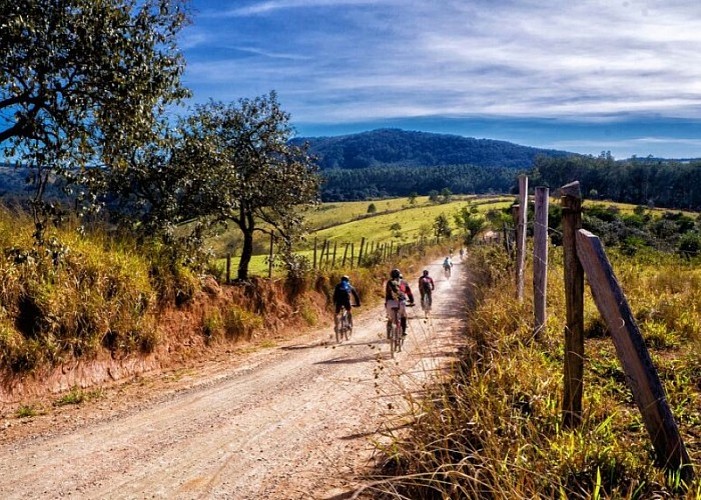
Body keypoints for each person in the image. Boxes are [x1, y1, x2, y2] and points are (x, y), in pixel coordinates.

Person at [385, 268, 414, 336]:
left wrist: (386, 303)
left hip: (390, 303)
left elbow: (387, 294)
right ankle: (403, 332)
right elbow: (409, 293)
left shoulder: (389, 282)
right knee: (403, 316)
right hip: (401, 302)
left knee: (390, 318)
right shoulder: (404, 282)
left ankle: (389, 333)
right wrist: (412, 301)